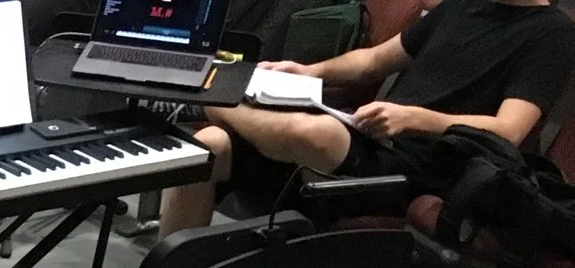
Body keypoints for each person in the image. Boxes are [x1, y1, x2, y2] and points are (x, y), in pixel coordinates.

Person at [158, 0, 575, 235]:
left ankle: (209, 99)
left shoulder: (552, 33)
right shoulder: (461, 6)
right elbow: (373, 61)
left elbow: (509, 130)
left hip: (432, 163)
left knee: (318, 132)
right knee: (209, 147)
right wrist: (308, 71)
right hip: (376, 139)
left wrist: (414, 117)